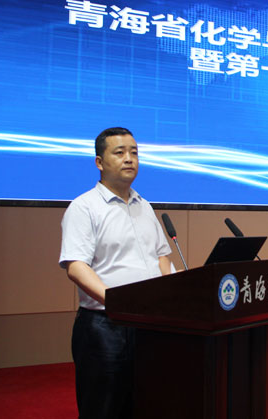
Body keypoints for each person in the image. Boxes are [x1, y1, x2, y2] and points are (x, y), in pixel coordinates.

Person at [59, 127, 173, 419]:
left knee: (146, 403)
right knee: (104, 407)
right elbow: (76, 266)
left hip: (149, 324)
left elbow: (161, 256)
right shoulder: (84, 208)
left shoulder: (144, 206)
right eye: (119, 152)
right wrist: (117, 301)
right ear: (99, 162)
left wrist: (176, 292)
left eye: (134, 152)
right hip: (104, 325)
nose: (129, 159)